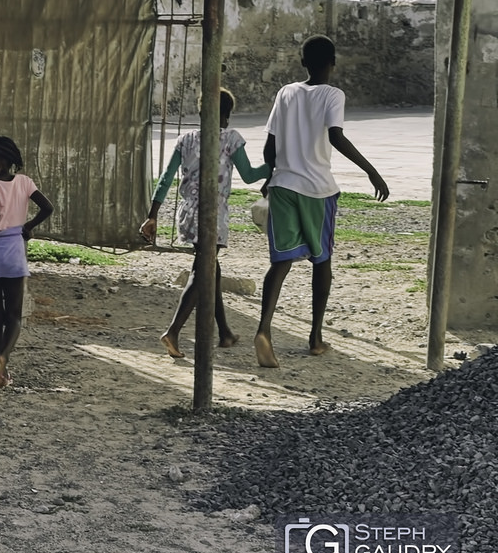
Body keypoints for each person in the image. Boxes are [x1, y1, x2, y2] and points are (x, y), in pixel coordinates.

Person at [254, 35, 389, 368]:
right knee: (322, 260)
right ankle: (315, 338)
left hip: (282, 186)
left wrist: (268, 177)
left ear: (302, 62)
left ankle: (263, 330)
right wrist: (372, 171)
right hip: (318, 190)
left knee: (281, 262)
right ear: (334, 62)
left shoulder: (285, 92)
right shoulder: (333, 94)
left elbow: (269, 147)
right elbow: (335, 136)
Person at [142, 88, 267, 358]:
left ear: (200, 111)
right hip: (213, 214)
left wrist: (152, 215)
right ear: (225, 115)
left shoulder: (185, 140)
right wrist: (275, 165)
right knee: (202, 272)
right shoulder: (231, 139)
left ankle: (225, 332)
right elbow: (248, 175)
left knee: (211, 269)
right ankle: (173, 331)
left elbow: (165, 178)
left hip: (188, 214)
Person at [0, 136, 53, 392]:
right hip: (15, 250)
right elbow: (47, 207)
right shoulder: (25, 182)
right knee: (15, 315)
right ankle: (3, 360)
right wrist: (27, 227)